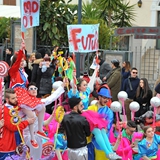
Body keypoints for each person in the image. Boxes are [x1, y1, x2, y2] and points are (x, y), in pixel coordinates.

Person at [14, 81, 65, 149]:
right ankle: (33, 139)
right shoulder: (23, 105)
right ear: (27, 92)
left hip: (38, 136)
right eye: (31, 89)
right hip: (27, 136)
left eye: (35, 88)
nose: (34, 90)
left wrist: (62, 86)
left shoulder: (38, 103)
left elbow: (51, 98)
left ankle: (40, 131)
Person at [0, 88, 35, 160]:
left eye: (16, 97)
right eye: (13, 98)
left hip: (15, 143)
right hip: (7, 146)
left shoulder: (15, 108)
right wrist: (27, 122)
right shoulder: (4, 110)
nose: (16, 99)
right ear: (7, 99)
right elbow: (12, 127)